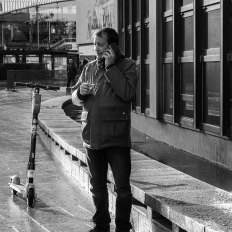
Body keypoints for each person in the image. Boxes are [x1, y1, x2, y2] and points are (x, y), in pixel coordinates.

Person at [71, 27, 138, 232]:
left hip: (116, 138)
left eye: (100, 45)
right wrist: (79, 94)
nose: (96, 50)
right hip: (91, 136)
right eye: (95, 45)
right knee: (97, 187)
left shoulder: (128, 65)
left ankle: (122, 227)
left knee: (122, 189)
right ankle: (101, 225)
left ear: (113, 47)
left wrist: (110, 69)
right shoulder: (89, 67)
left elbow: (127, 94)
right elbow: (73, 98)